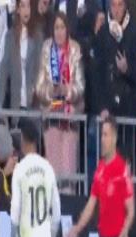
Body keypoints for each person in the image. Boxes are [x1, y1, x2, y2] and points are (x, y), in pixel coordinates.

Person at [35, 12, 85, 193]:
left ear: (67, 29)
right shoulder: (46, 49)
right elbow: (39, 87)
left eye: (62, 27)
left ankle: (69, 207)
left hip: (70, 119)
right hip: (51, 118)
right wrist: (52, 91)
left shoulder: (75, 49)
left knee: (68, 174)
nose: (59, 32)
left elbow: (81, 86)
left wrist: (67, 91)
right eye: (56, 28)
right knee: (52, 175)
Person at [94, 0, 136, 119]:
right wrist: (102, 106)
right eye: (113, 5)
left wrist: (127, 70)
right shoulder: (103, 32)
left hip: (129, 107)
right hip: (108, 106)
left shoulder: (135, 32)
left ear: (125, 6)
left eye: (120, 5)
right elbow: (97, 73)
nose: (116, 10)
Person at [0, 0, 44, 111]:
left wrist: (36, 91)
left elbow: (40, 67)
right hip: (15, 101)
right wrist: (0, 102)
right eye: (23, 6)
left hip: (33, 101)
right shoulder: (10, 36)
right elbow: (4, 68)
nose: (26, 10)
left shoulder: (37, 35)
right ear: (18, 10)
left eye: (28, 6)